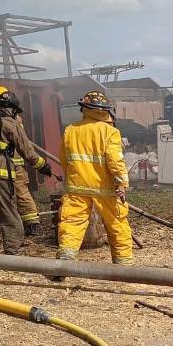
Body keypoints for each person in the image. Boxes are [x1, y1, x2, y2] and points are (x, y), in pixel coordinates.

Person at [56, 91, 133, 268]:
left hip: (77, 187)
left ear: (84, 108)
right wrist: (121, 183)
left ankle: (65, 261)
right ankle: (124, 266)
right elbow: (115, 160)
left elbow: (64, 159)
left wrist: (71, 178)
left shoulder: (70, 130)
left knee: (72, 222)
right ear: (105, 110)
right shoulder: (110, 132)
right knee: (117, 224)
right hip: (105, 189)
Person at [0, 86, 52, 254]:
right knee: (9, 214)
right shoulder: (11, 124)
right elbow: (27, 151)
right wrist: (42, 166)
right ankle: (13, 252)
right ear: (10, 107)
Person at [12, 114, 41, 236]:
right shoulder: (16, 121)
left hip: (7, 165)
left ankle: (32, 222)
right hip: (15, 166)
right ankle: (31, 223)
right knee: (22, 193)